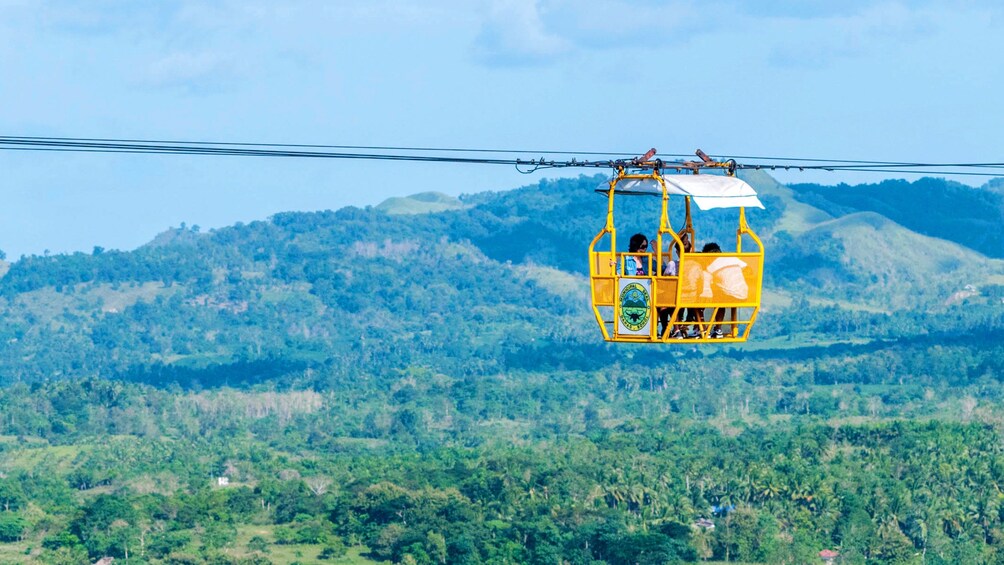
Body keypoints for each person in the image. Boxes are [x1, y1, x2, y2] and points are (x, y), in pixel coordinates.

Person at [702, 242, 748, 338]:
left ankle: (717, 328)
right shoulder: (733, 259)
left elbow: (706, 285)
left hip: (727, 296)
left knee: (716, 296)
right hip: (744, 295)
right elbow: (749, 271)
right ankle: (718, 329)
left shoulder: (711, 267)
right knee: (720, 294)